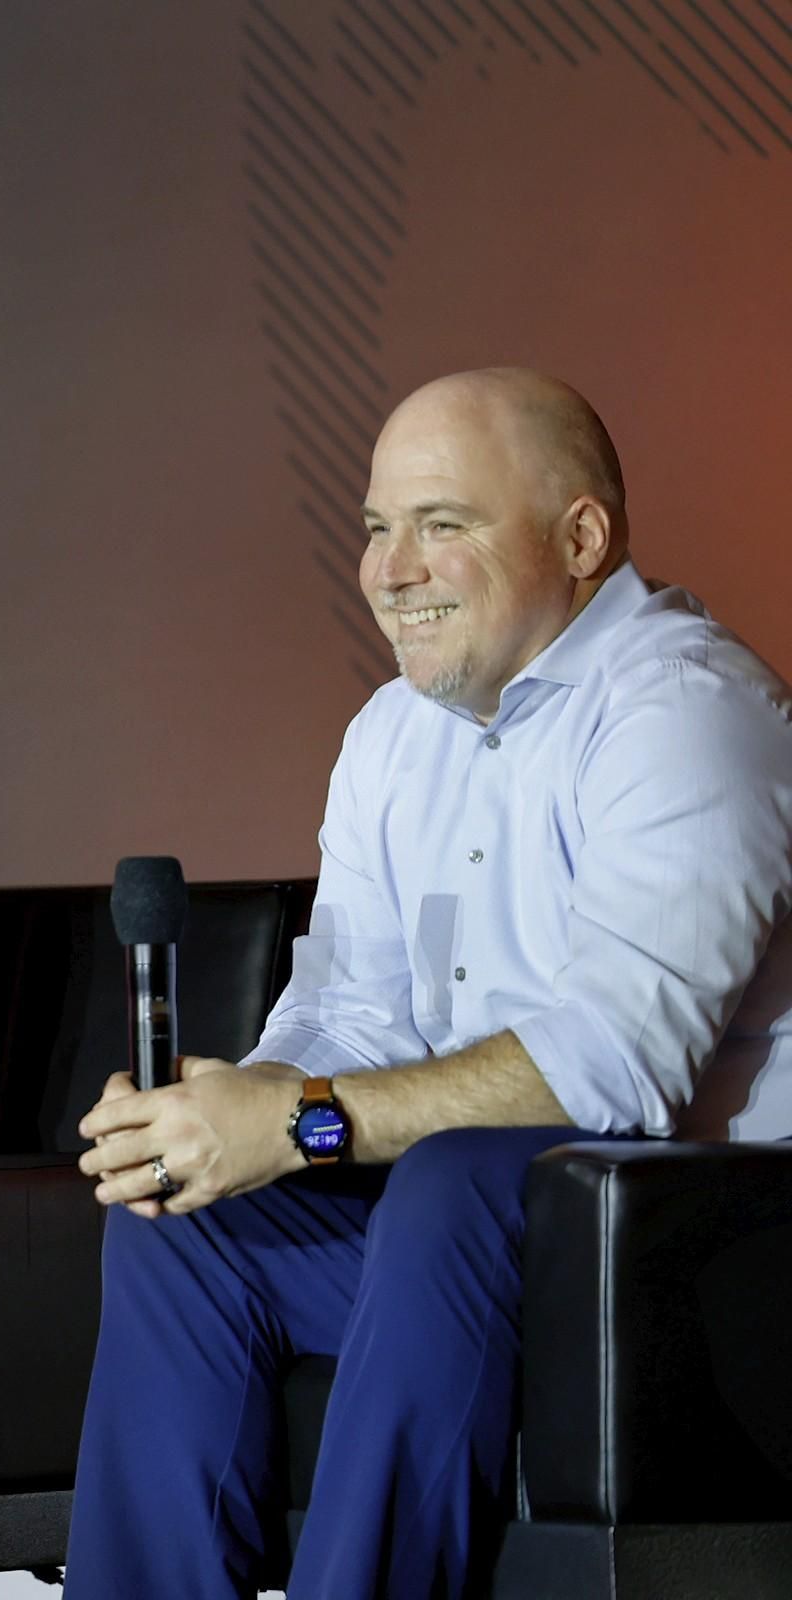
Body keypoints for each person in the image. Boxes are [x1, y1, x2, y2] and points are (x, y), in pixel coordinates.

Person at [65, 368, 790, 1597]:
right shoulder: (392, 736)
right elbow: (348, 1009)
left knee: (453, 1183)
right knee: (186, 1223)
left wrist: (299, 1122)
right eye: (375, 527)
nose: (389, 570)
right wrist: (222, 1115)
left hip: (698, 1251)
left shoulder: (688, 710)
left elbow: (615, 1067)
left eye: (441, 524)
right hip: (477, 1236)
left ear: (581, 539)